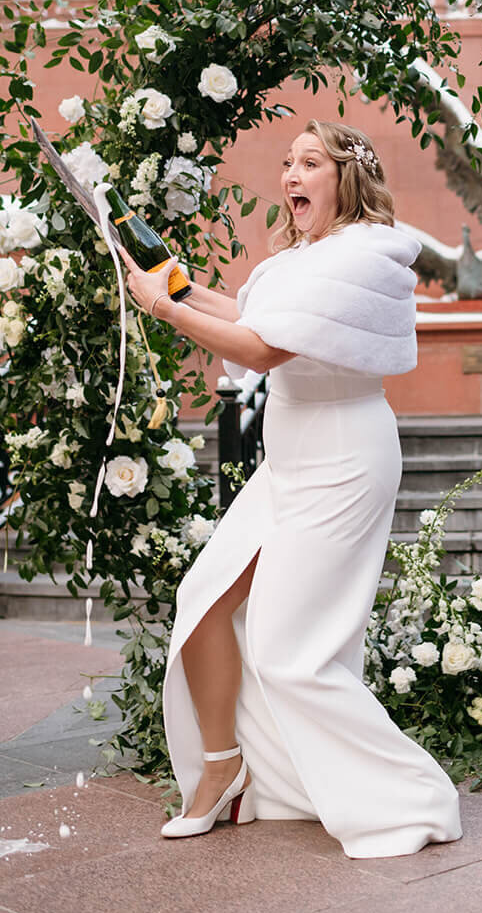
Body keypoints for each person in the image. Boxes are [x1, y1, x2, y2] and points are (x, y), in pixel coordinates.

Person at [120, 119, 462, 858]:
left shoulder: (367, 252)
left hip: (344, 457)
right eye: (287, 162)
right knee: (203, 601)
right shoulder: (298, 258)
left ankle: (407, 794)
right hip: (290, 456)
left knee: (286, 651)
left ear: (346, 177)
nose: (291, 176)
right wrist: (174, 282)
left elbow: (264, 348)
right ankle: (225, 769)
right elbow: (248, 315)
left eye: (310, 162)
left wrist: (163, 307)